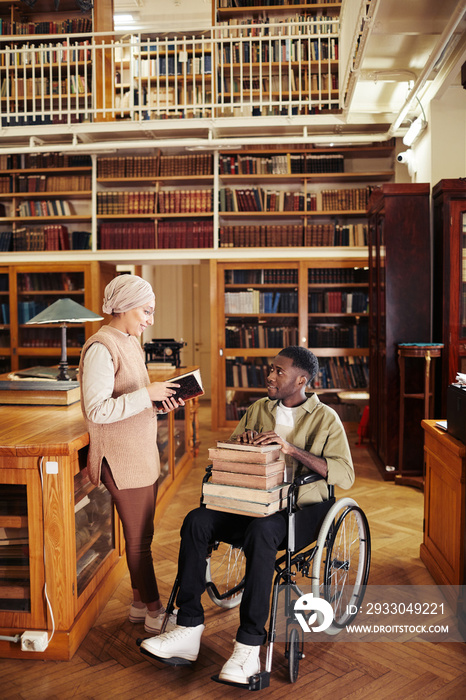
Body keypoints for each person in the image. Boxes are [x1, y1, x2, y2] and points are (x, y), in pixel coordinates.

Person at [140, 346, 354, 684]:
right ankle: (188, 627)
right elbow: (230, 452)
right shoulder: (258, 409)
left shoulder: (326, 418)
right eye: (270, 369)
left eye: (278, 372)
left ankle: (249, 645)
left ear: (301, 380)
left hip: (301, 511)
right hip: (253, 501)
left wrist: (289, 449)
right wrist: (243, 443)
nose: (269, 376)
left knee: (262, 532)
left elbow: (344, 474)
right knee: (197, 521)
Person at [79, 274, 184, 634]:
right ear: (123, 307)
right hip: (120, 458)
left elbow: (133, 399)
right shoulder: (100, 347)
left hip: (140, 454)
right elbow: (97, 410)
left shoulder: (130, 342)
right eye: (146, 311)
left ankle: (140, 605)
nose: (150, 320)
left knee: (144, 537)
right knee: (139, 543)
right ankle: (157, 612)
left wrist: (159, 403)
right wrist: (147, 395)